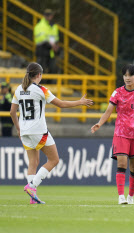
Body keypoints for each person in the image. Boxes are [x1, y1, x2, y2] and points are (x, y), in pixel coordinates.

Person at [10, 62, 93, 204]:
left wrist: (18, 128)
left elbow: (12, 112)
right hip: (38, 131)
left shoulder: (18, 89)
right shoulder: (40, 89)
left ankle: (32, 199)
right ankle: (32, 186)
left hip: (24, 132)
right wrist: (79, 102)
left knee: (33, 162)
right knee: (54, 160)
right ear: (39, 75)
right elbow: (60, 104)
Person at [91, 64, 134, 205]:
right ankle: (121, 197)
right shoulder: (117, 92)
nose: (127, 78)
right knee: (122, 163)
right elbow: (108, 111)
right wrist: (99, 123)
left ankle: (131, 196)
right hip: (121, 133)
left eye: (130, 75)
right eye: (125, 75)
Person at [34, 9, 60, 74]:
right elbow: (41, 39)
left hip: (51, 52)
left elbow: (56, 38)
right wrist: (52, 46)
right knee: (42, 71)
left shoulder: (54, 26)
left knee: (52, 70)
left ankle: (49, 83)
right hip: (42, 51)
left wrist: (56, 46)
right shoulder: (40, 26)